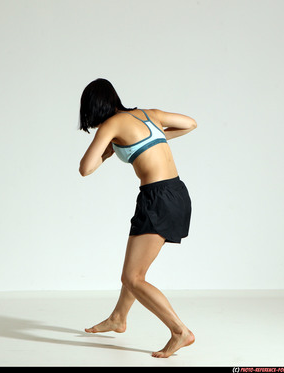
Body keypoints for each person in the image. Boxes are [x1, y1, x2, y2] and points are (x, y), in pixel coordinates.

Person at [78, 78, 197, 358]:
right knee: (134, 270)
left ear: (93, 107)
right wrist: (156, 137)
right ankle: (119, 318)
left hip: (157, 198)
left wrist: (108, 152)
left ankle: (180, 331)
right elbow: (190, 123)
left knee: (133, 277)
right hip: (175, 192)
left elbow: (85, 168)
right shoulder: (148, 114)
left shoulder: (111, 125)